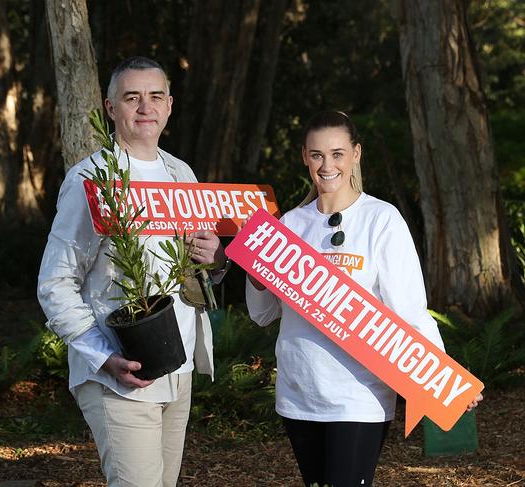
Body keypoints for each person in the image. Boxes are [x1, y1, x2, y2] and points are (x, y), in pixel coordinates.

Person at [245, 111, 483, 486]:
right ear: (305, 157)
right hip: (299, 393)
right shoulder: (289, 224)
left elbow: (409, 310)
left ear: (356, 154)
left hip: (359, 396)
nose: (328, 165)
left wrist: (443, 376)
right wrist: (253, 262)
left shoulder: (382, 220)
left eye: (338, 153)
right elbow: (262, 315)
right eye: (318, 155)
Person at [37, 56, 229, 487]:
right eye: (132, 97)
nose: (146, 107)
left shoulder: (182, 175)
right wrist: (103, 358)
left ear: (169, 105)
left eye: (155, 96)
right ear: (111, 108)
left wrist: (214, 259)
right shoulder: (91, 181)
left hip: (177, 367)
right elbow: (54, 283)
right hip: (121, 375)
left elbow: (201, 274)